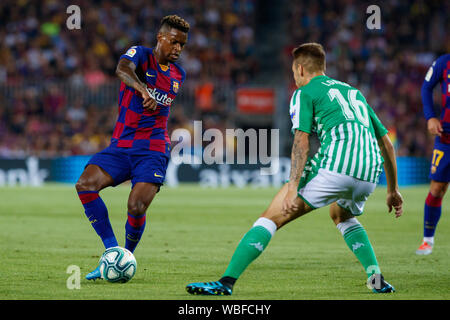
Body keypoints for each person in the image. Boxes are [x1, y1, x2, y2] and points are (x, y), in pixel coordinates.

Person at [186, 43, 403, 295]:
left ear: (300, 69)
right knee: (341, 215)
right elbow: (386, 143)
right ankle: (375, 278)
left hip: (337, 164)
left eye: (293, 72)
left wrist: (293, 187)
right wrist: (393, 189)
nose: (294, 77)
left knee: (270, 218)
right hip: (369, 171)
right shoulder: (354, 93)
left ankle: (225, 283)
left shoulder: (305, 93)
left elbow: (301, 141)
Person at [75, 15, 189, 280]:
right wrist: (142, 90)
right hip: (122, 145)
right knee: (85, 185)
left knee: (136, 206)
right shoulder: (140, 53)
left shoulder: (178, 74)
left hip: (153, 148)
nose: (178, 49)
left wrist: (150, 94)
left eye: (182, 45)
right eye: (174, 42)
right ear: (160, 37)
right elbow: (122, 69)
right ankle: (112, 253)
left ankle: (126, 256)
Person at [416, 53, 450, 255]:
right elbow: (426, 87)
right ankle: (427, 240)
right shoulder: (444, 62)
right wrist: (430, 117)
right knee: (437, 188)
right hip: (446, 136)